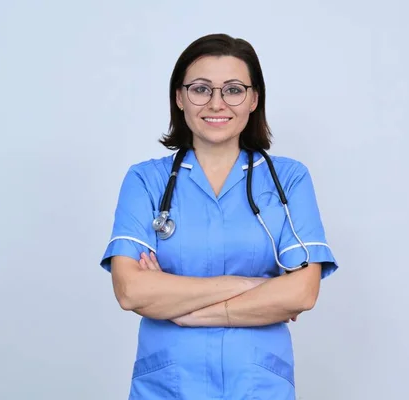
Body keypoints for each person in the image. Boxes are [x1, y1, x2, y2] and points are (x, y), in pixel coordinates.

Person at [100, 33, 339, 400]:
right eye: (200, 89)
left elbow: (303, 293)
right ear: (179, 97)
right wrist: (256, 287)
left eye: (233, 89)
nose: (216, 103)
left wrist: (185, 309)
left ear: (254, 98)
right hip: (168, 386)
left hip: (258, 386)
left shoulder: (288, 179)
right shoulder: (146, 181)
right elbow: (131, 291)